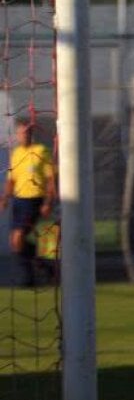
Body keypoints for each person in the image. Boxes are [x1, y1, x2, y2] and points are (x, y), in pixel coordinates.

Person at [3, 118, 57, 288]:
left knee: (19, 237)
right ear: (17, 135)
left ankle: (27, 279)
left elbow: (50, 179)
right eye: (20, 133)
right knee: (14, 241)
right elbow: (11, 179)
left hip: (34, 200)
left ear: (31, 134)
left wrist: (48, 201)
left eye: (26, 132)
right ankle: (44, 266)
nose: (23, 135)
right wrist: (5, 198)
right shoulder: (16, 153)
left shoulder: (41, 151)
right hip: (18, 201)